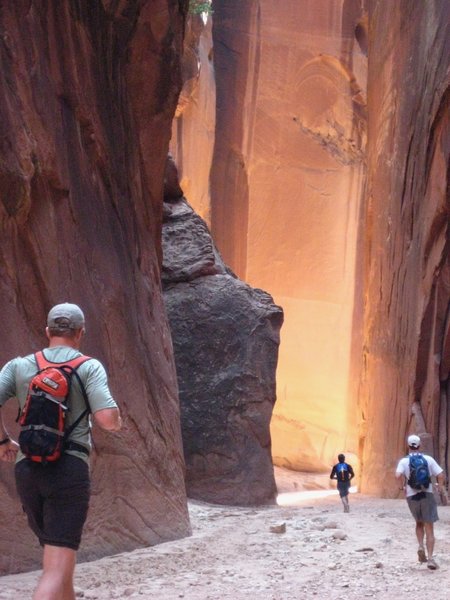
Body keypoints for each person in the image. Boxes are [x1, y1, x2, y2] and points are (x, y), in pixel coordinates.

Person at [0, 303, 122, 599]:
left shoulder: (19, 366)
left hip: (27, 469)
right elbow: (107, 419)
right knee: (55, 569)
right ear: (80, 333)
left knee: (60, 560)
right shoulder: (89, 367)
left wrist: (3, 442)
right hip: (68, 470)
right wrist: (118, 421)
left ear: (47, 332)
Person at [395, 434, 445, 570]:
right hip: (427, 494)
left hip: (412, 496)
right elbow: (440, 475)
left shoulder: (404, 461)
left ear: (408, 446)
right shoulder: (428, 459)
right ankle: (430, 559)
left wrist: (402, 487)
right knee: (429, 526)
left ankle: (420, 546)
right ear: (419, 445)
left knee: (419, 523)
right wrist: (439, 487)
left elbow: (398, 475)